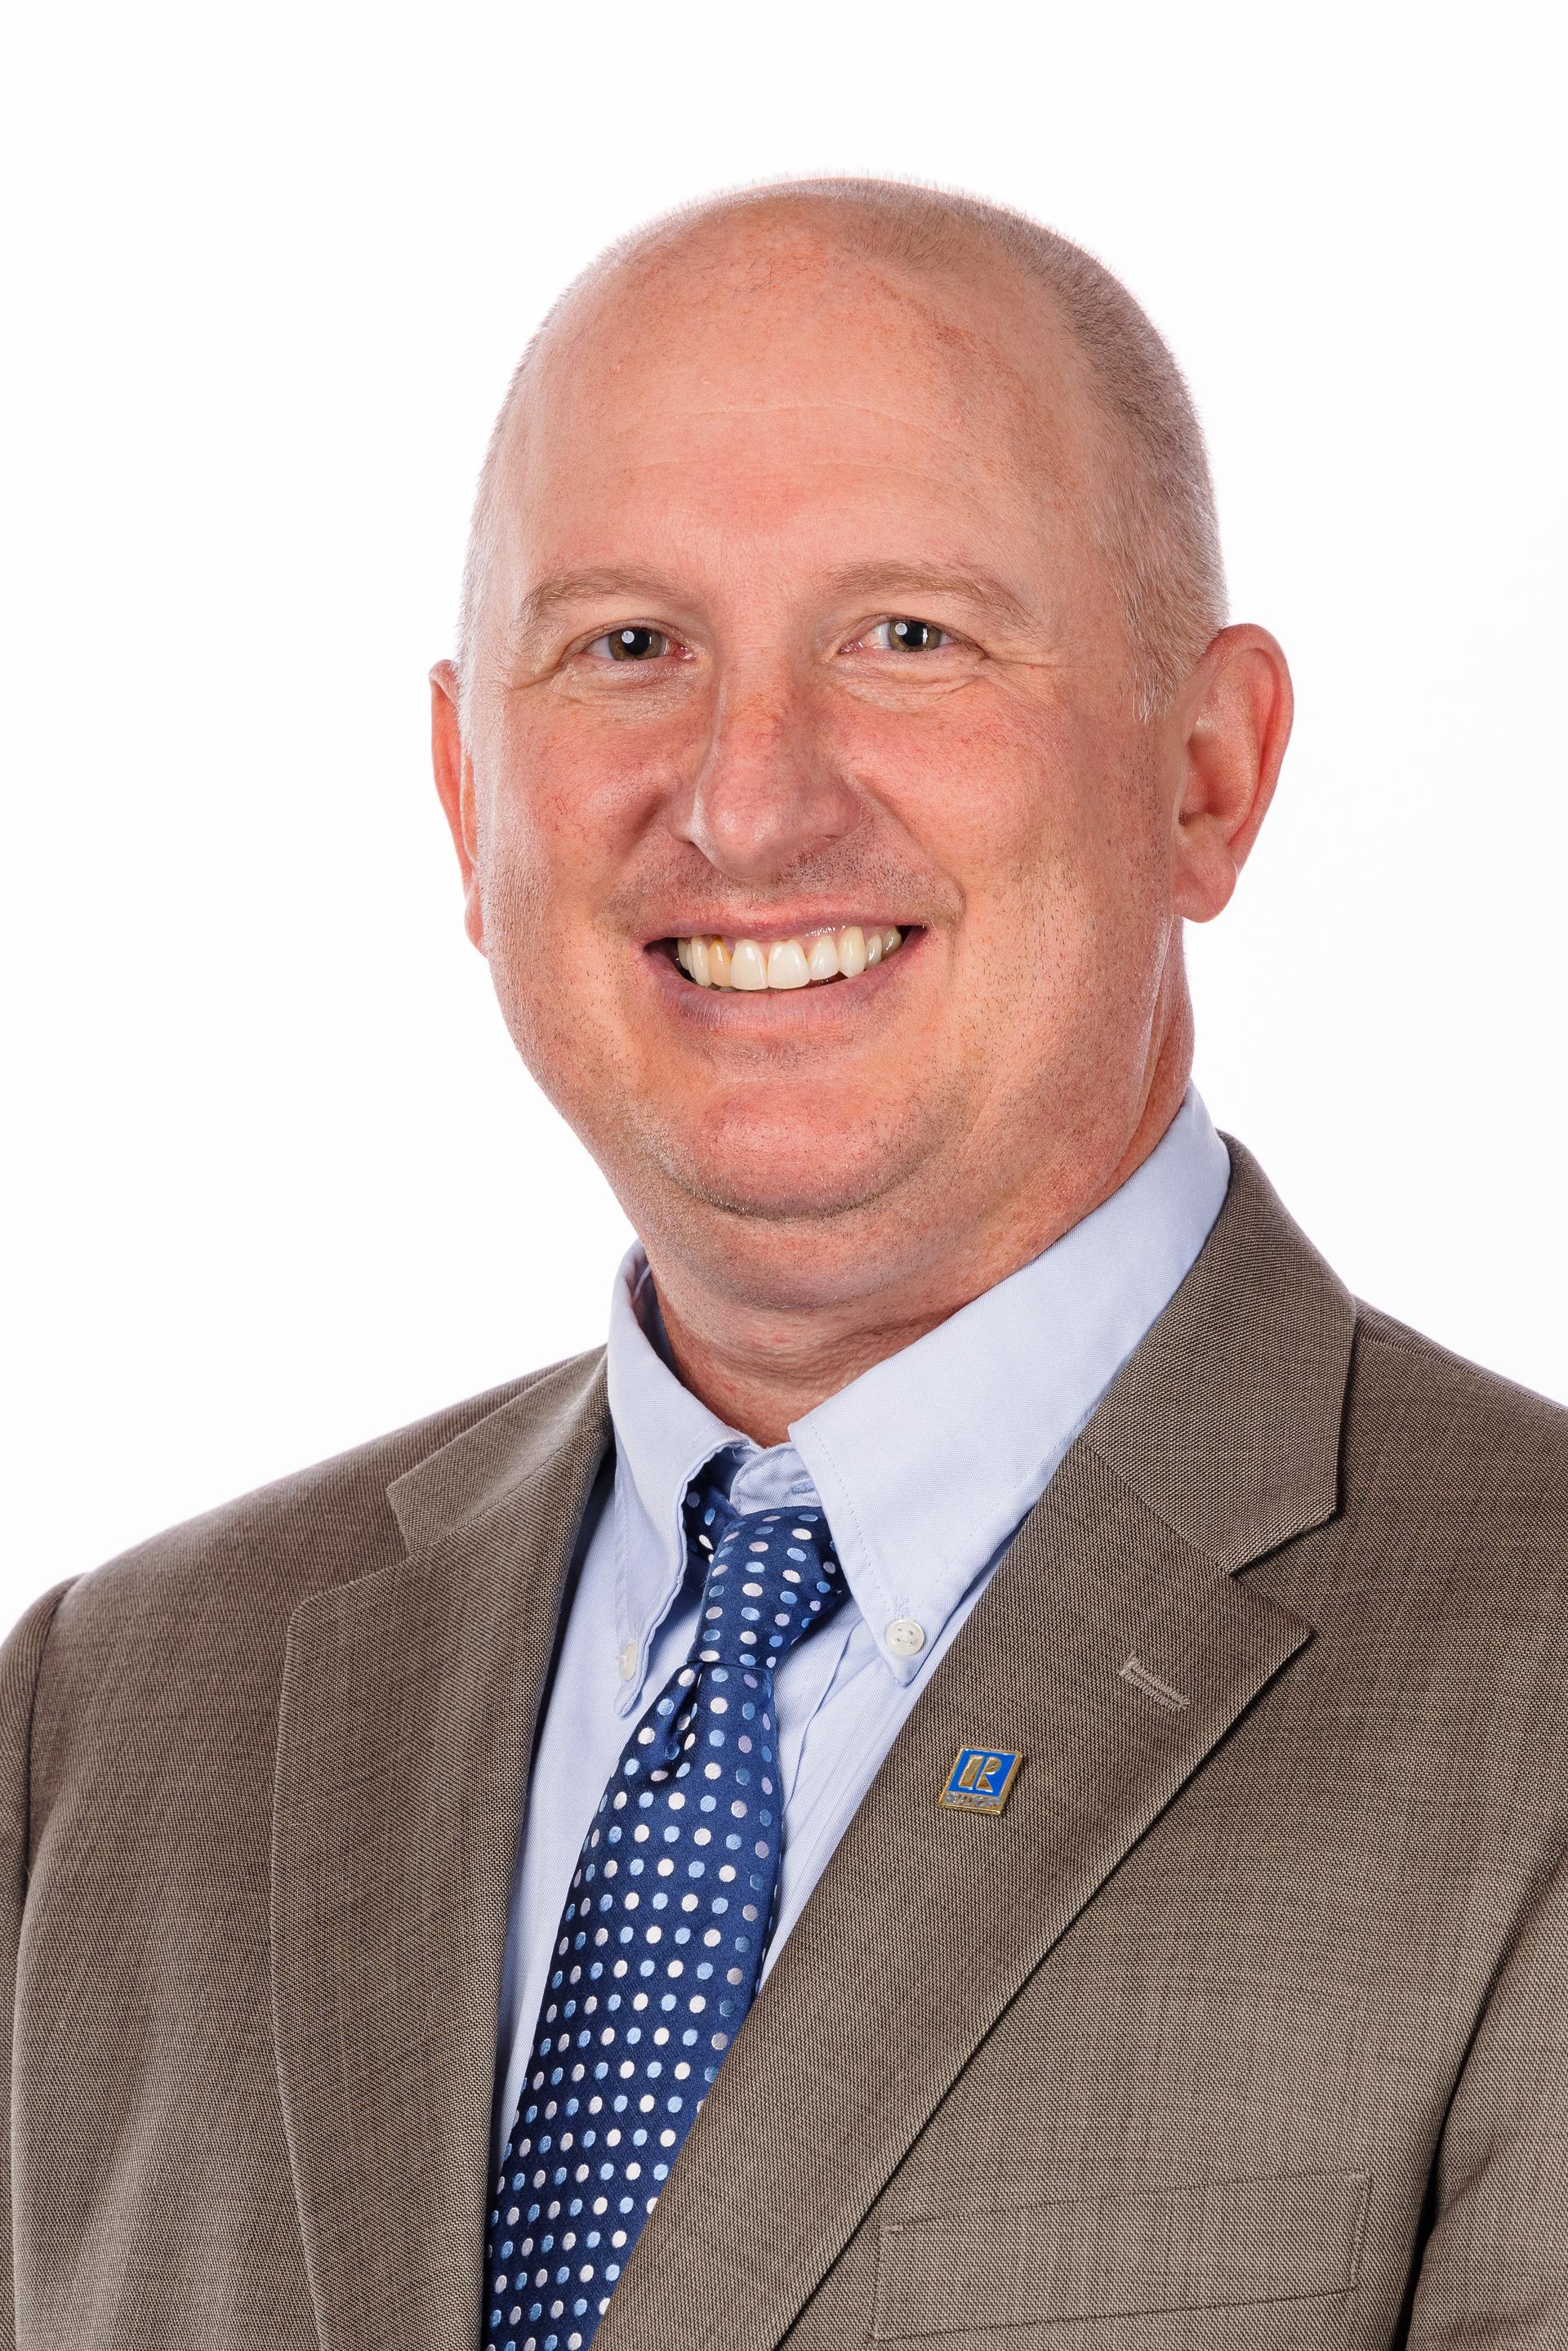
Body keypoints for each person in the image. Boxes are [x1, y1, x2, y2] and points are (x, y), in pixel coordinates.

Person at [5, 175, 1566, 2351]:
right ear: (468, 796)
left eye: (909, 636)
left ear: (1208, 776)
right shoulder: (109, 1725)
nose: (746, 804)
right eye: (628, 647)